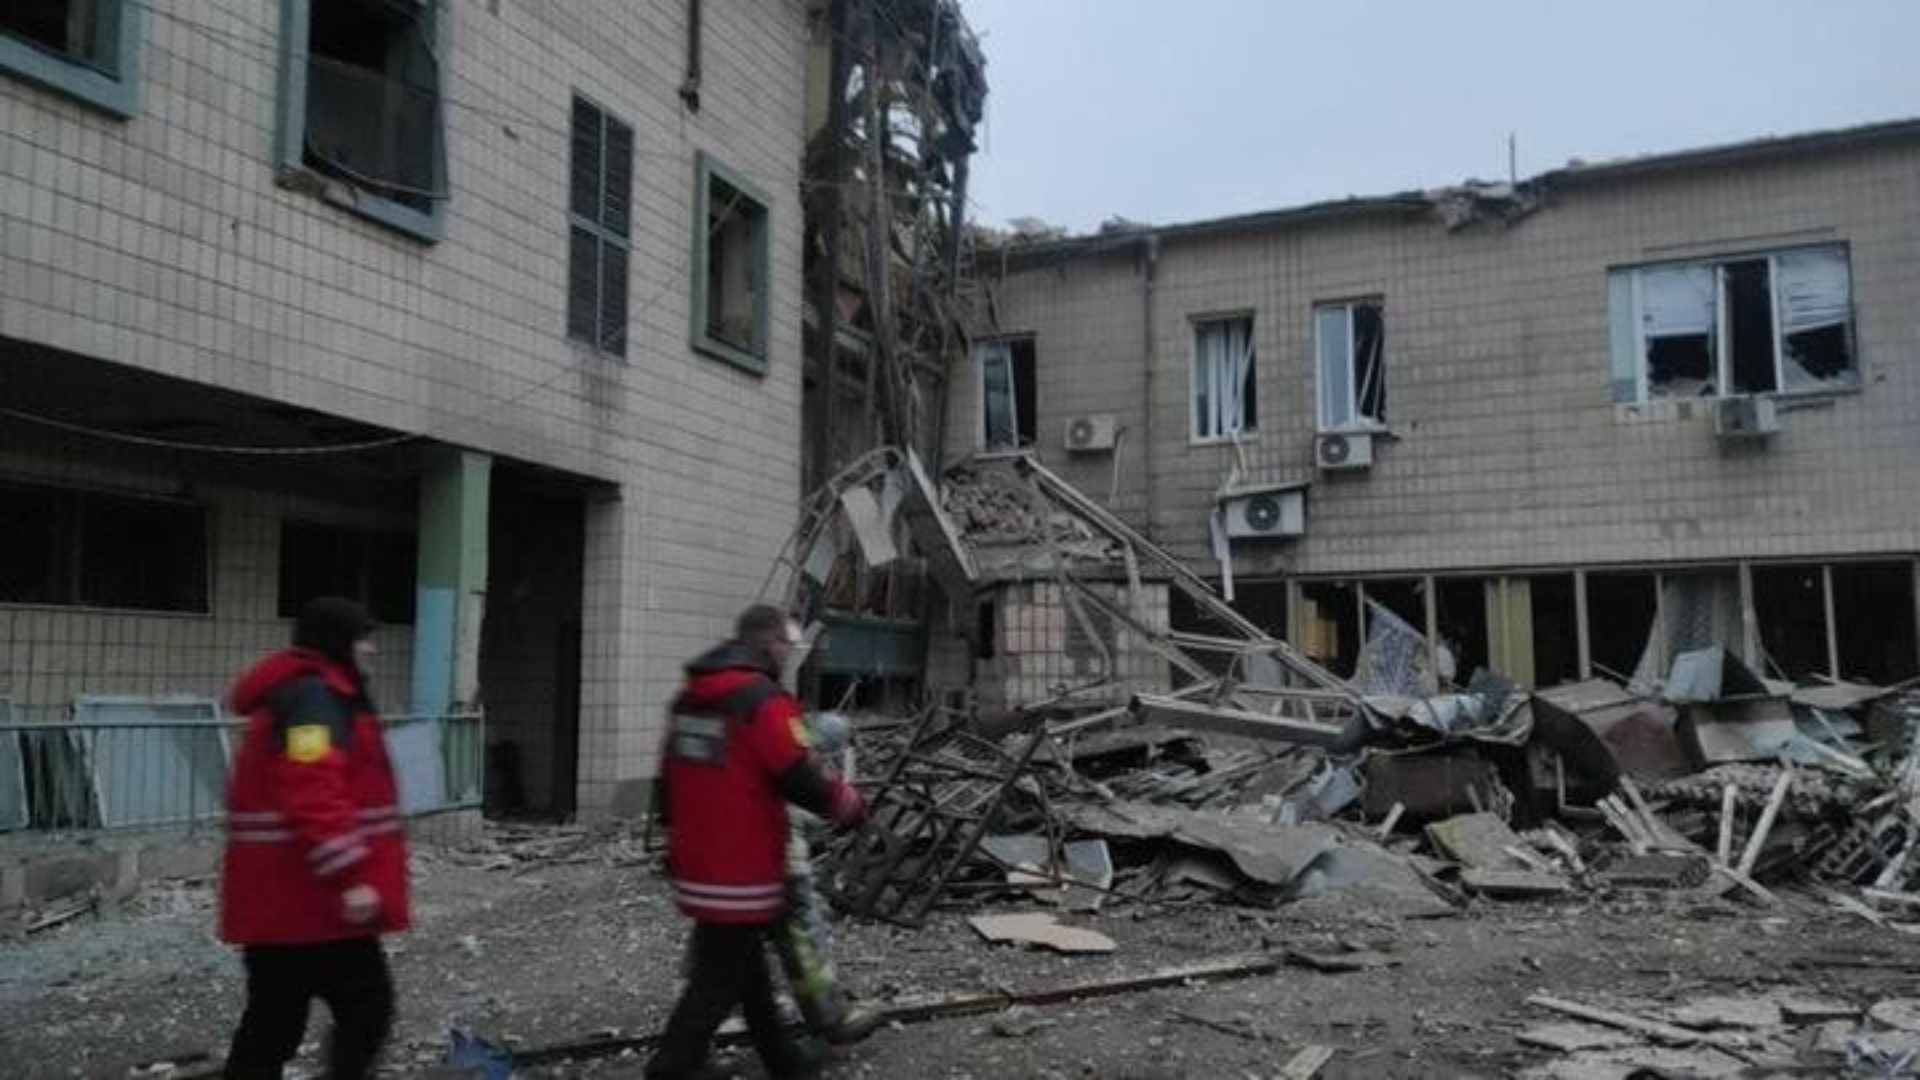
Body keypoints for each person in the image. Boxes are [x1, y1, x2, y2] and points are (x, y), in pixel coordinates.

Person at [647, 605, 868, 1080]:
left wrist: (676, 843)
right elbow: (795, 773)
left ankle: (786, 1063)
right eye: (787, 645)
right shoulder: (761, 699)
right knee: (714, 983)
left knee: (748, 975)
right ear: (770, 642)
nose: (789, 655)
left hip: (699, 862)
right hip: (743, 868)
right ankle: (670, 1068)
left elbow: (666, 783)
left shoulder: (689, 699)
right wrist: (845, 803)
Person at [219, 597, 410, 1080]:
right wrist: (350, 875)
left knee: (275, 1019)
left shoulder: (313, 695)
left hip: (290, 900)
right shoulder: (314, 701)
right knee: (365, 1007)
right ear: (338, 642)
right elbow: (312, 788)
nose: (371, 649)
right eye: (363, 639)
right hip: (310, 902)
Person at [774, 710, 880, 1045]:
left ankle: (695, 1040)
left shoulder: (714, 707)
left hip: (730, 849)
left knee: (725, 935)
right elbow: (807, 788)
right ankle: (829, 1015)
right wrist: (846, 804)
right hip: (776, 849)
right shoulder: (777, 723)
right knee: (805, 924)